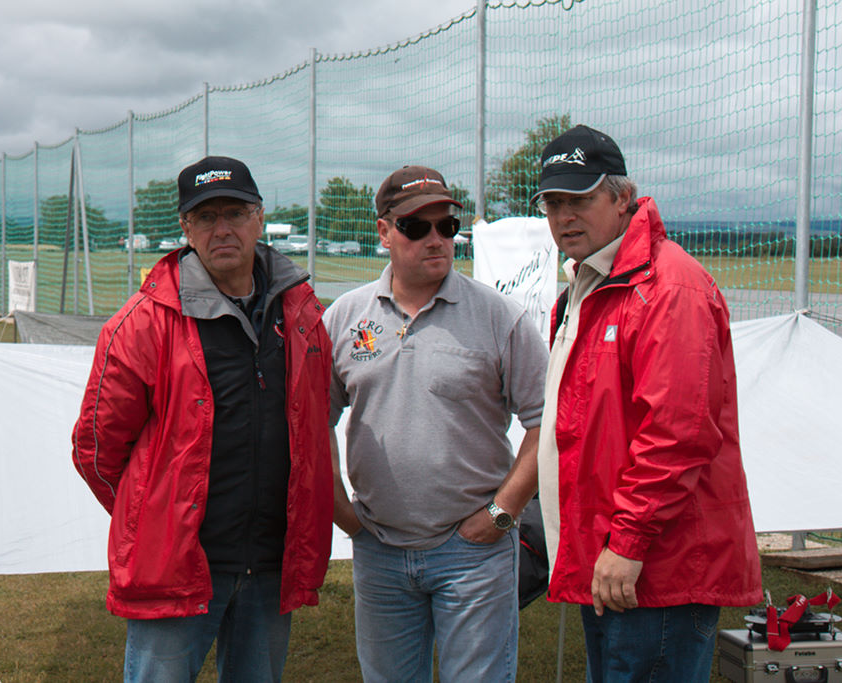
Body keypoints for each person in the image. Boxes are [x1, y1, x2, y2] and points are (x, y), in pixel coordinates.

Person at [72, 156, 333, 683]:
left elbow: (314, 426)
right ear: (186, 229)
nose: (222, 229)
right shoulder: (142, 324)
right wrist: (152, 519)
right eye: (206, 217)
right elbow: (96, 451)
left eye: (234, 213)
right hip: (179, 566)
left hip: (270, 562)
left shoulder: (302, 314)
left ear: (259, 218)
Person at [533, 125, 762, 682]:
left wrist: (629, 543)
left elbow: (677, 434)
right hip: (615, 563)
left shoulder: (668, 287)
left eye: (580, 199)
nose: (565, 216)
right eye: (553, 203)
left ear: (622, 198)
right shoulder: (589, 285)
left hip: (655, 571)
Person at [325, 165, 549, 682]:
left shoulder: (500, 317)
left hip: (474, 552)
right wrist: (343, 515)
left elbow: (547, 423)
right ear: (384, 232)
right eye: (416, 227)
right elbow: (313, 422)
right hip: (379, 547)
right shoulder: (344, 318)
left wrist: (502, 513)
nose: (436, 239)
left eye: (447, 226)